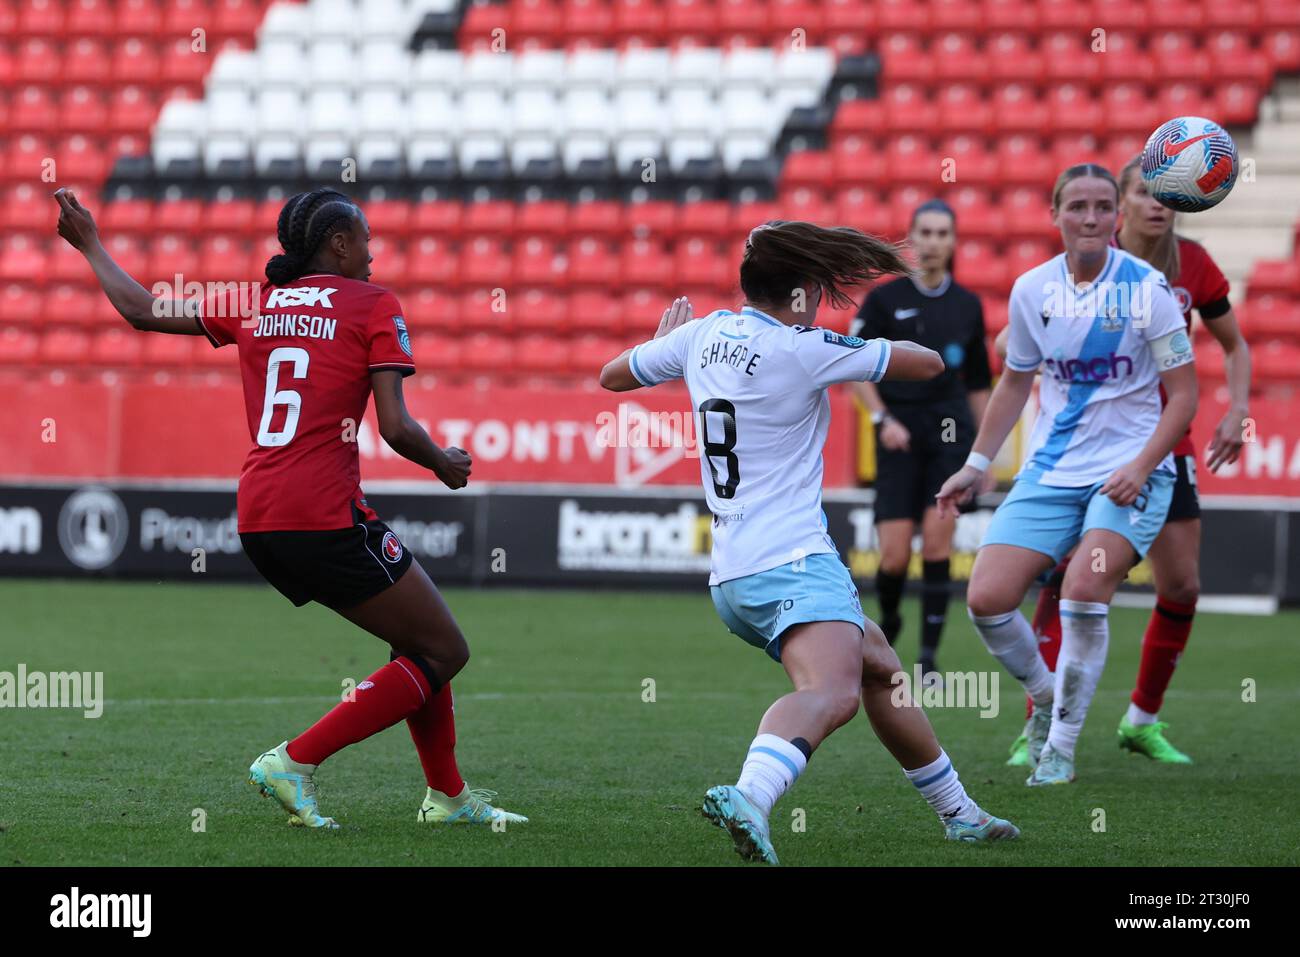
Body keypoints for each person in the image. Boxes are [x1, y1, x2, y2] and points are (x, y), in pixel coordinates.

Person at [54, 186, 526, 828]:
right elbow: (394, 425)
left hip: (258, 515)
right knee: (445, 652)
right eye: (364, 237)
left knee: (417, 644)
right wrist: (443, 461)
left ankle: (447, 796)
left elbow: (142, 310)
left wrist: (91, 244)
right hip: (324, 514)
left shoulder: (254, 302)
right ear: (338, 243)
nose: (372, 248)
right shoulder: (373, 304)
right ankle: (295, 761)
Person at [600, 220, 1019, 864]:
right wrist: (844, 343)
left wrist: (666, 348)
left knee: (881, 670)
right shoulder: (805, 347)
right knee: (834, 692)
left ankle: (959, 813)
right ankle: (751, 795)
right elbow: (927, 364)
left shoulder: (701, 332)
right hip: (792, 562)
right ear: (803, 293)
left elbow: (613, 376)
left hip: (733, 574)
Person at [936, 164, 1198, 786]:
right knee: (987, 598)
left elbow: (1183, 395)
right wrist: (975, 465)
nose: (1089, 217)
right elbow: (1014, 382)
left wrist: (1140, 465)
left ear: (1116, 217)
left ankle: (1060, 746)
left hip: (1129, 473)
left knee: (1084, 590)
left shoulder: (1148, 288)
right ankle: (1048, 695)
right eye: (1076, 205)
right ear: (1054, 213)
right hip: (1050, 472)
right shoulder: (1031, 290)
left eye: (1102, 207)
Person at [1000, 157, 1253, 767]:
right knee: (1070, 576)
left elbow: (1235, 345)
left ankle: (1141, 720)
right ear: (1124, 203)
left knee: (1183, 584)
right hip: (1088, 446)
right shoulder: (1087, 252)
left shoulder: (1193, 265)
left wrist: (1236, 410)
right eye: (1145, 191)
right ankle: (1039, 722)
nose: (1158, 202)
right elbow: (1025, 341)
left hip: (1166, 442)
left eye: (1169, 192)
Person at [849, 199, 992, 682]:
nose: (932, 242)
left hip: (949, 435)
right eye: (925, 233)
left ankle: (928, 659)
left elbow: (978, 384)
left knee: (937, 545)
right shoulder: (884, 301)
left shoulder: (968, 306)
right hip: (898, 436)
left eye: (941, 233)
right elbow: (857, 369)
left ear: (953, 242)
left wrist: (985, 455)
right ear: (912, 239)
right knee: (892, 554)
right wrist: (881, 420)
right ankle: (888, 625)